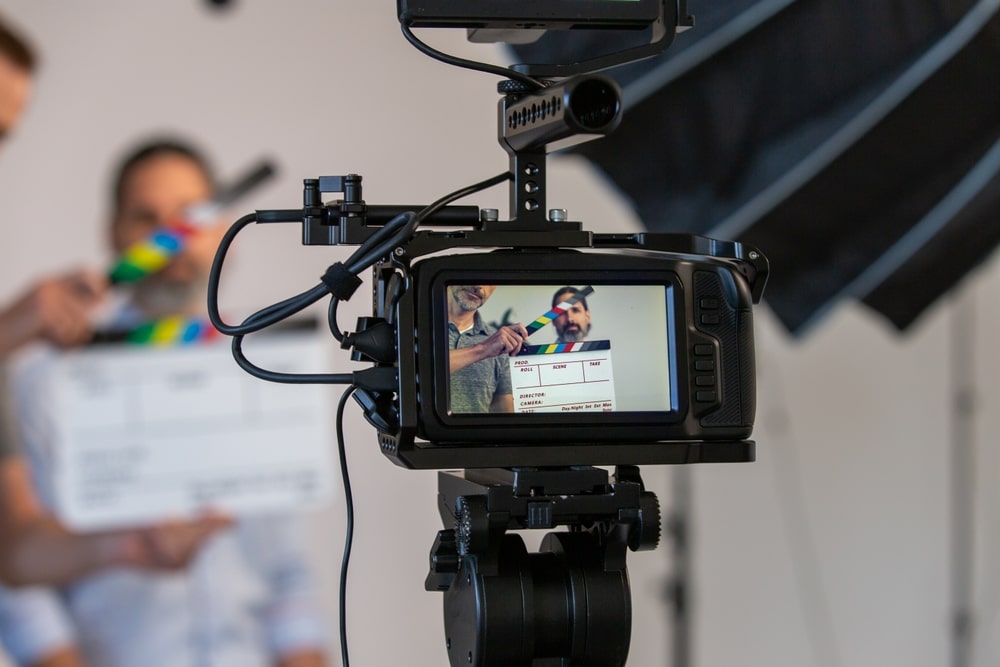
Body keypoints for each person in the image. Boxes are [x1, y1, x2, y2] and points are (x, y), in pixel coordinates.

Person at [0, 138, 329, 667]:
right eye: (146, 218)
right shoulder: (42, 385)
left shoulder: (266, 375)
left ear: (224, 230)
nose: (172, 240)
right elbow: (17, 576)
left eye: (189, 216)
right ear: (115, 235)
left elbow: (286, 571)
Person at [0, 12, 226, 588]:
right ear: (114, 231)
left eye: (3, 136)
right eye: (148, 217)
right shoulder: (35, 372)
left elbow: (14, 552)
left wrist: (128, 545)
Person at [446, 284, 527, 413]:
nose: (479, 285)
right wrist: (483, 348)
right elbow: (413, 368)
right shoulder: (410, 323)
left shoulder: (500, 343)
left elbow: (504, 415)